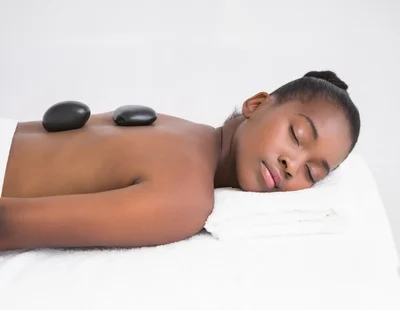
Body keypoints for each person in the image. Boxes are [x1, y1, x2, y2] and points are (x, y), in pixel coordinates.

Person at [0, 70, 360, 252]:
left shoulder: (183, 132)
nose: (291, 165)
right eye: (296, 136)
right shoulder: (186, 199)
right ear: (257, 104)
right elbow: (9, 225)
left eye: (311, 173)